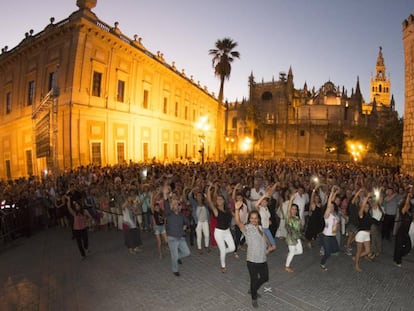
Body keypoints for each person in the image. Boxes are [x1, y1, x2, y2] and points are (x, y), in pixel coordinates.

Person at [234, 199, 270, 308]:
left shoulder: (260, 227)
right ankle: (254, 297)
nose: (254, 220)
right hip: (252, 260)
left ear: (258, 219)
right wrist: (236, 210)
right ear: (249, 219)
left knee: (265, 277)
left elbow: (265, 239)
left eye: (256, 218)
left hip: (262, 258)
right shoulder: (248, 228)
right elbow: (238, 223)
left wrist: (269, 245)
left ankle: (253, 288)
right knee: (254, 279)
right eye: (252, 218)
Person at [162, 185, 190, 276]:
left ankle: (177, 257)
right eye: (173, 204)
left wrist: (186, 225)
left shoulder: (182, 215)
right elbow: (165, 201)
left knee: (187, 252)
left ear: (179, 206)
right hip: (172, 238)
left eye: (176, 204)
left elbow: (188, 222)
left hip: (180, 237)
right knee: (174, 255)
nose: (175, 205)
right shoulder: (169, 213)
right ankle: (175, 270)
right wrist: (165, 192)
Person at [207, 182, 235, 273]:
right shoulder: (216, 210)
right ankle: (223, 266)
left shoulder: (227, 209)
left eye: (220, 199)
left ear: (223, 201)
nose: (219, 201)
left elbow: (233, 200)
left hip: (227, 231)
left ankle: (222, 253)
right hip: (219, 232)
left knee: (232, 248)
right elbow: (209, 200)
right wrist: (209, 188)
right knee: (222, 249)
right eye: (217, 199)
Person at [320, 185, 340, 271]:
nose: (331, 207)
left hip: (332, 235)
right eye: (330, 207)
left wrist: (335, 193)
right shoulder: (327, 215)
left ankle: (324, 246)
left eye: (332, 206)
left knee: (336, 249)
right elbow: (329, 204)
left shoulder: (334, 214)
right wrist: (332, 191)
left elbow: (332, 203)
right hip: (326, 236)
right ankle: (322, 263)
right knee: (327, 253)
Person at [393, 188, 413, 267]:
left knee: (408, 246)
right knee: (399, 246)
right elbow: (404, 208)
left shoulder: (410, 209)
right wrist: (408, 196)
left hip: (406, 231)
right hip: (401, 230)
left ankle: (398, 256)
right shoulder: (403, 208)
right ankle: (397, 260)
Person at [284, 194, 303, 272]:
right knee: (292, 252)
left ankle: (289, 254)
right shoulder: (288, 217)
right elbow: (288, 210)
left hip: (297, 237)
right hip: (291, 238)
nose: (294, 210)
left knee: (300, 251)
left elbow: (299, 227)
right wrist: (291, 199)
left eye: (295, 209)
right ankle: (287, 266)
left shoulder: (297, 218)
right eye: (292, 209)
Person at [354, 193, 372, 272]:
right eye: (365, 206)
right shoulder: (361, 214)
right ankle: (356, 265)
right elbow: (362, 206)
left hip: (367, 234)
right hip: (361, 234)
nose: (366, 208)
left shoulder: (369, 215)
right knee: (359, 251)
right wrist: (367, 197)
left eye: (368, 207)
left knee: (368, 251)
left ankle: (356, 258)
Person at [150, 194, 168, 259]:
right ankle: (160, 254)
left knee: (166, 241)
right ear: (154, 208)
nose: (157, 208)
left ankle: (166, 246)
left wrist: (165, 224)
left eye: (157, 207)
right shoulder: (153, 212)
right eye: (155, 208)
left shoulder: (162, 211)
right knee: (159, 242)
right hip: (157, 227)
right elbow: (151, 204)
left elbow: (165, 218)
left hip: (162, 227)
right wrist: (152, 197)